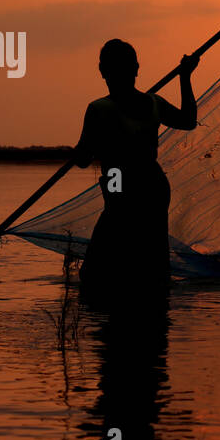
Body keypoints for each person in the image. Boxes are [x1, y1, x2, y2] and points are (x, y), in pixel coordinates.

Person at [72, 39, 199, 303]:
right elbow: (188, 120)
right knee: (151, 265)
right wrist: (185, 78)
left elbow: (83, 159)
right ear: (137, 68)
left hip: (122, 191)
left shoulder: (99, 109)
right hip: (153, 186)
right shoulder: (153, 103)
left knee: (95, 273)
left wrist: (79, 151)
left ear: (102, 71)